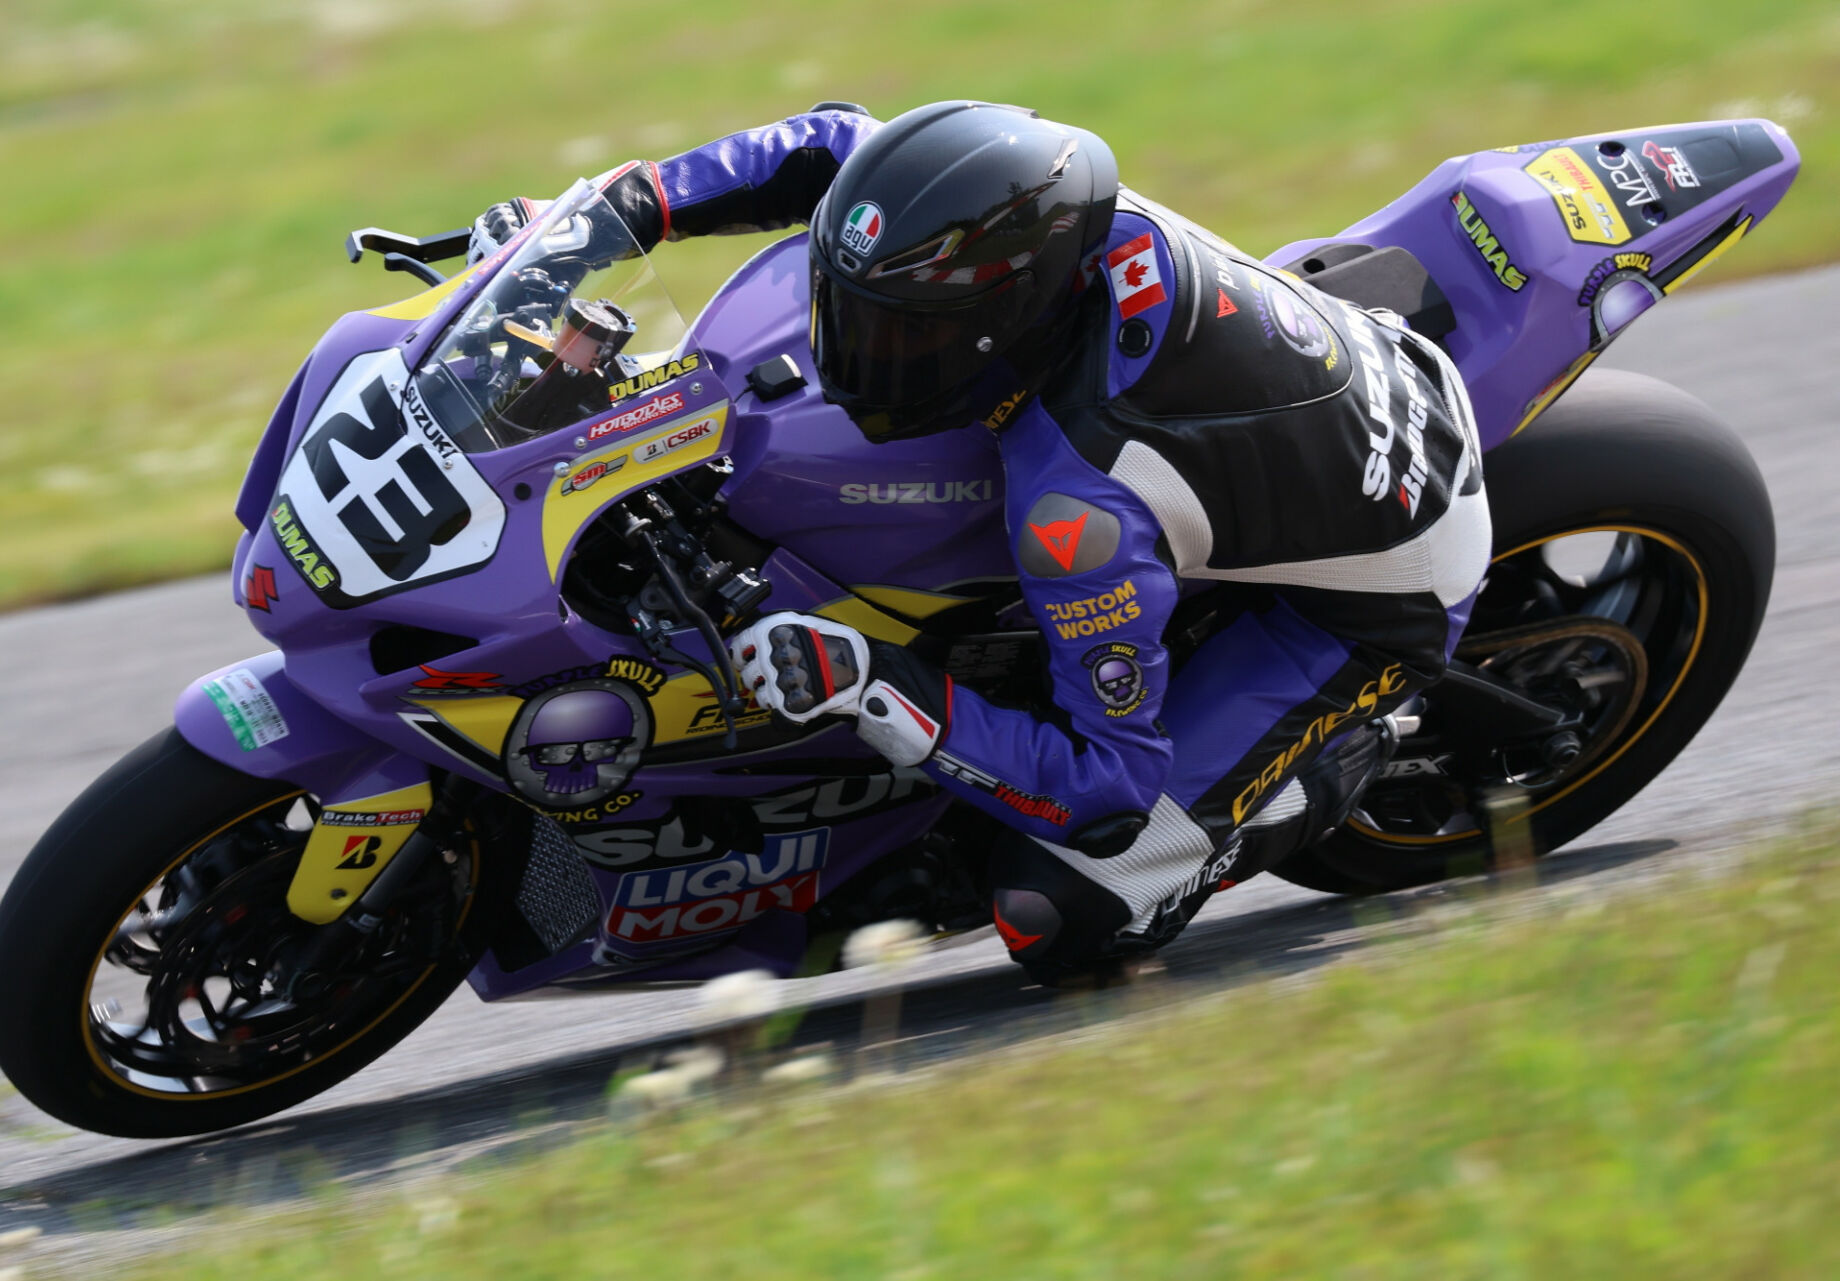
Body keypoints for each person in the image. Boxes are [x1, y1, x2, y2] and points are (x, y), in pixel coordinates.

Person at [472, 101, 1491, 984]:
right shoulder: (1031, 208)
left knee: (1062, 911)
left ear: (1002, 323)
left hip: (1366, 597)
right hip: (1314, 397)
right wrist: (604, 218)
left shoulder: (1076, 513)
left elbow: (1107, 789)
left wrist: (871, 682)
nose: (852, 349)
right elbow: (834, 144)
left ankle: (1331, 764)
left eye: (900, 333)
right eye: (850, 310)